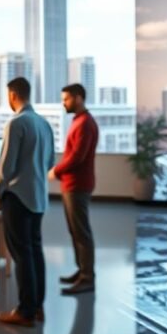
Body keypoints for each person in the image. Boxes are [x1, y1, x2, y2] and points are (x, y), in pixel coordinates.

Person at [0, 77, 55, 327]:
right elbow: (50, 162)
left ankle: (25, 311)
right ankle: (37, 306)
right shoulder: (43, 123)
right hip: (38, 196)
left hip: (17, 198)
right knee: (34, 251)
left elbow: (7, 166)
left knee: (21, 254)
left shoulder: (16, 123)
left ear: (12, 95)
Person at [50, 83, 99, 295]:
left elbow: (77, 157)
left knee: (81, 232)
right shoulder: (78, 121)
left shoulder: (85, 123)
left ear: (78, 98)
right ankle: (82, 272)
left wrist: (56, 171)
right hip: (71, 184)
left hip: (77, 185)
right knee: (76, 231)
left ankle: (87, 278)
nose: (63, 103)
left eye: (66, 99)